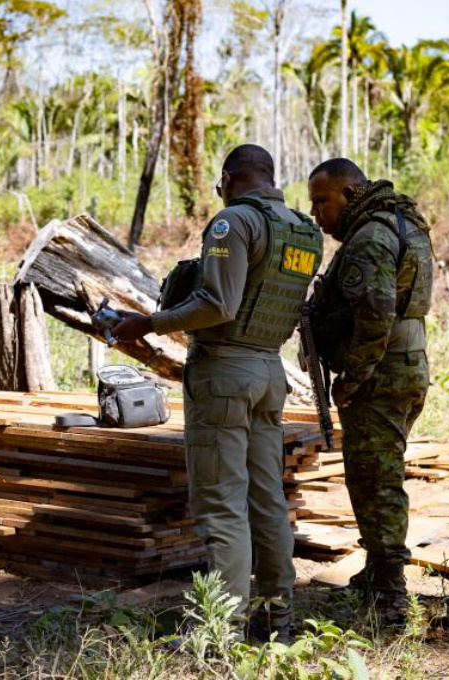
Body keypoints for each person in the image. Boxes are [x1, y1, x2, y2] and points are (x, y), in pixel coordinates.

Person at [112, 144, 323, 641]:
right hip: (269, 373)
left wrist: (148, 322)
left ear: (229, 178)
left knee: (223, 503)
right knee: (268, 499)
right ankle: (277, 619)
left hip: (225, 373)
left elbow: (218, 304)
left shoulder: (233, 222)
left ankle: (221, 631)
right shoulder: (303, 230)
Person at [306, 158, 433, 626]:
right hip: (404, 366)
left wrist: (352, 378)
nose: (317, 213)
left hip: (380, 376)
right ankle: (378, 570)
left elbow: (376, 316)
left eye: (323, 200)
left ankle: (392, 595)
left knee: (375, 481)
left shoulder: (369, 238)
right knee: (375, 473)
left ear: (350, 192)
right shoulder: (400, 222)